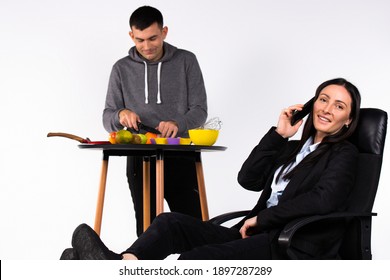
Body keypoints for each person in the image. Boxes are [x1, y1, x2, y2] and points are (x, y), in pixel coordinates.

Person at [62, 77, 361, 260]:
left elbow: (323, 200)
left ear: (348, 120)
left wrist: (261, 218)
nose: (326, 109)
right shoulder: (293, 148)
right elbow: (248, 179)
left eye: (338, 106)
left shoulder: (344, 153)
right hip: (256, 234)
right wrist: (280, 134)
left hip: (289, 243)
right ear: (312, 104)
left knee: (197, 260)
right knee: (169, 223)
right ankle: (123, 264)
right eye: (323, 99)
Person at [102, 6, 208, 236]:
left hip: (181, 154)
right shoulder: (121, 69)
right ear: (131, 35)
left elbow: (200, 111)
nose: (147, 46)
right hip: (140, 159)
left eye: (153, 38)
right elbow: (107, 116)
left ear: (165, 32)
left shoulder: (186, 61)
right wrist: (120, 114)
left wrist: (178, 123)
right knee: (148, 232)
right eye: (140, 40)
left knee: (194, 230)